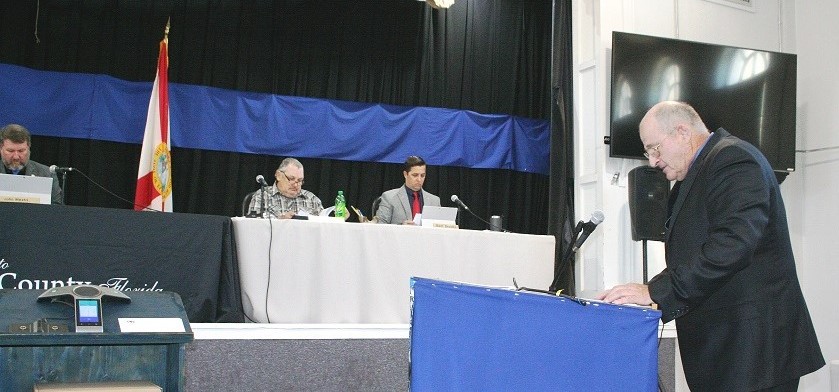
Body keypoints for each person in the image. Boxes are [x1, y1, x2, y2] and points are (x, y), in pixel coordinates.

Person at [597, 101, 823, 391]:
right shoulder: (700, 171)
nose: (652, 161)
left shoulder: (734, 161)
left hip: (753, 354)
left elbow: (732, 246)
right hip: (733, 354)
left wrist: (655, 292)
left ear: (681, 132)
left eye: (654, 149)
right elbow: (696, 255)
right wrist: (649, 292)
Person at [1, 123, 64, 204]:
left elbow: (58, 209)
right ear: (1, 149)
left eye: (21, 151)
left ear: (29, 149)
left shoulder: (46, 173)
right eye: (10, 151)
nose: (16, 157)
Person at [248, 157, 323, 218]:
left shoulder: (312, 199)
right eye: (291, 179)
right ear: (278, 175)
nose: (296, 185)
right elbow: (253, 226)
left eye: (300, 180)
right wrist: (280, 222)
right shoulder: (262, 196)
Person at [375, 155, 441, 224]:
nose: (419, 179)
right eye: (415, 175)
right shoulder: (389, 197)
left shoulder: (435, 201)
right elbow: (380, 225)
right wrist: (401, 228)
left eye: (422, 175)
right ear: (405, 174)